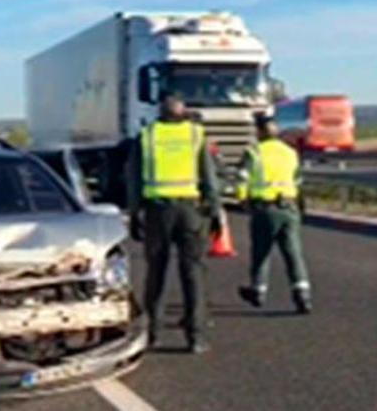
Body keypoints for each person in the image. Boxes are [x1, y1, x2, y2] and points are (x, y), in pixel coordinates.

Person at [127, 94, 222, 354]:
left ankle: (153, 333)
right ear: (183, 112)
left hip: (158, 211)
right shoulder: (195, 135)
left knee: (155, 272)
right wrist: (214, 208)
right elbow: (208, 176)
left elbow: (133, 178)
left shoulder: (147, 136)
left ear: (160, 112)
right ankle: (196, 337)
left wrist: (135, 212)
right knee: (193, 273)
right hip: (191, 210)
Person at [238, 113, 312, 314]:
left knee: (261, 252)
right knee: (293, 253)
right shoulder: (290, 152)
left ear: (260, 132)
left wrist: (242, 199)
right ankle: (302, 295)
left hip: (265, 209)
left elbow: (242, 179)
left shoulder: (253, 152)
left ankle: (258, 291)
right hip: (289, 207)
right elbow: (297, 181)